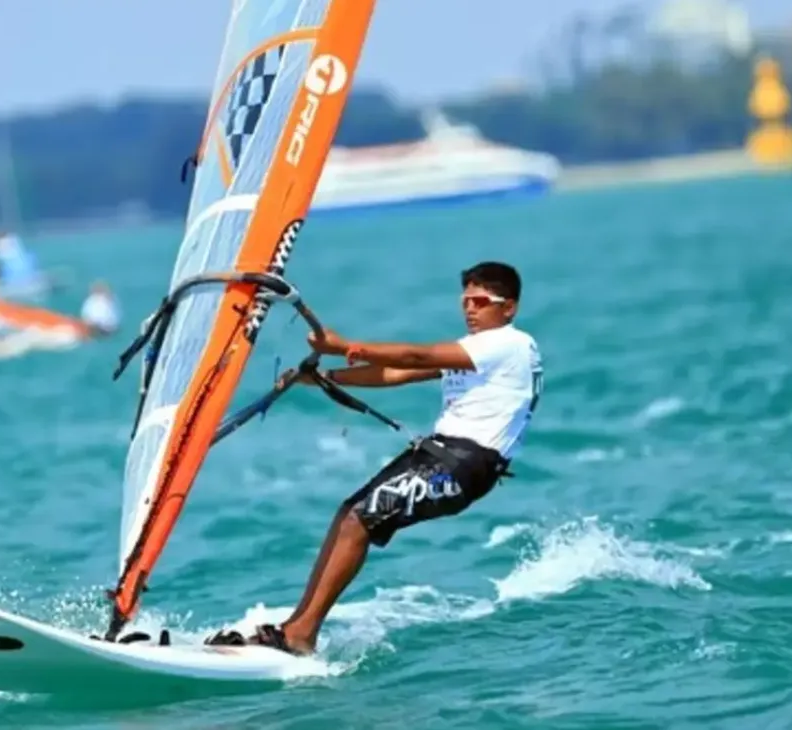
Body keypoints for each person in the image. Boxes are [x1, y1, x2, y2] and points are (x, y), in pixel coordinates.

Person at [205, 261, 543, 655]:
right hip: (442, 458)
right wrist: (321, 377)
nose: (470, 308)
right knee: (350, 514)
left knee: (358, 519)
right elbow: (395, 375)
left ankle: (300, 635)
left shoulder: (508, 343)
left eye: (481, 301)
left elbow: (416, 356)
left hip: (461, 464)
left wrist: (345, 345)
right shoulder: (479, 351)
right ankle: (297, 627)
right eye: (465, 300)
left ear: (509, 308)